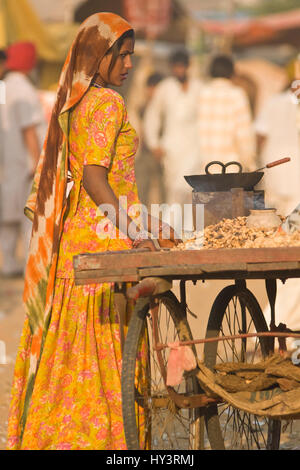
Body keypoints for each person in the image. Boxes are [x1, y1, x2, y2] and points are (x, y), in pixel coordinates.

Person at [6, 12, 178, 451]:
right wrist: (133, 231)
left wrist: (145, 221)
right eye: (121, 56)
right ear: (98, 56)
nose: (129, 65)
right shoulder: (107, 104)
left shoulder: (74, 102)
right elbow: (95, 179)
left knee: (68, 355)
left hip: (73, 246)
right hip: (103, 243)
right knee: (105, 354)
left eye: (131, 56)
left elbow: (99, 183)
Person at [143, 48, 202, 231]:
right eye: (176, 67)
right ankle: (170, 231)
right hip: (172, 148)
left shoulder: (199, 87)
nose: (179, 70)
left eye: (182, 67)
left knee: (193, 191)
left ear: (187, 67)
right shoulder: (165, 88)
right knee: (175, 191)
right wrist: (154, 144)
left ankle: (191, 231)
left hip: (195, 147)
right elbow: (152, 116)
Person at [0, 42, 46, 277]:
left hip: (7, 163)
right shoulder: (25, 90)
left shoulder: (3, 87)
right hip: (24, 164)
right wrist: (37, 162)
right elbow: (29, 129)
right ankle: (32, 265)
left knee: (6, 218)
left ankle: (7, 264)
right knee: (30, 218)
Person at [255, 57, 300, 216]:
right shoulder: (275, 102)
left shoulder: (273, 102)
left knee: (274, 214)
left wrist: (257, 160)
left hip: (273, 164)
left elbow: (260, 135)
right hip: (293, 168)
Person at [198, 54, 256, 172]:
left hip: (206, 166)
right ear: (231, 73)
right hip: (231, 166)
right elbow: (244, 134)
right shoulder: (236, 94)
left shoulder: (202, 93)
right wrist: (250, 163)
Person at [134, 72, 166, 207]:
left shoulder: (166, 109)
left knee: (164, 190)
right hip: (145, 153)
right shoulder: (142, 107)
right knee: (141, 189)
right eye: (150, 87)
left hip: (162, 153)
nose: (152, 91)